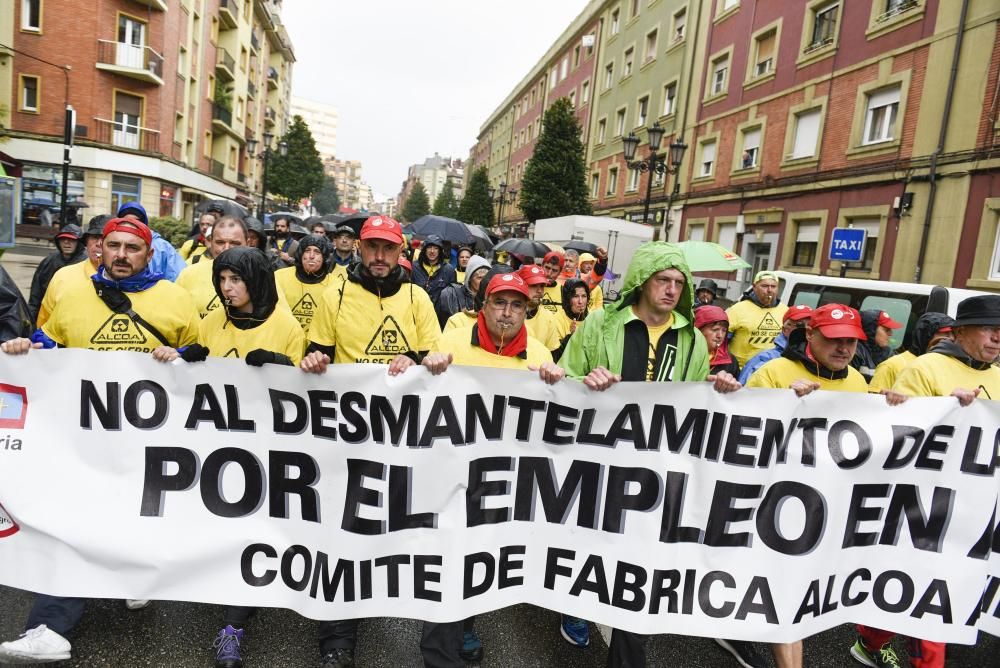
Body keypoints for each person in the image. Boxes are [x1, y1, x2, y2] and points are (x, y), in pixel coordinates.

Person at [0, 217, 199, 666]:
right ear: (99, 250)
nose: (122, 254)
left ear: (149, 254)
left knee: (133, 520)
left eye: (133, 247)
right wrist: (22, 353)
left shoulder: (176, 300)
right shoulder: (72, 294)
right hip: (83, 444)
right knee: (73, 529)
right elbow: (48, 349)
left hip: (149, 445)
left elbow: (205, 363)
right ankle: (50, 628)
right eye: (113, 246)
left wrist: (182, 357)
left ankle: (132, 575)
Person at [558, 241, 740, 664]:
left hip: (655, 472)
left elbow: (694, 398)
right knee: (589, 551)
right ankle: (575, 607)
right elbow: (566, 377)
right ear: (642, 281)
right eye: (663, 280)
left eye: (679, 282)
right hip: (599, 460)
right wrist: (587, 379)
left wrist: (721, 392)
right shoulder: (602, 323)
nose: (672, 289)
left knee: (637, 571)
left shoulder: (692, 338)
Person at [299, 215, 453, 667]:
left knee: (403, 528)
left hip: (407, 434)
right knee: (345, 532)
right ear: (359, 250)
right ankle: (337, 638)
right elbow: (320, 352)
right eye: (372, 248)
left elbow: (435, 357)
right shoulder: (336, 293)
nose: (380, 257)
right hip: (352, 435)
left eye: (388, 248)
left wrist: (421, 360)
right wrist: (313, 361)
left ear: (400, 252)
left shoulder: (417, 298)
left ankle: (404, 606)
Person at [848, 296, 1000, 668]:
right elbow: (899, 438)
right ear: (960, 331)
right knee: (935, 598)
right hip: (927, 507)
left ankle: (869, 640)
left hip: (978, 506)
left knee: (946, 590)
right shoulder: (925, 369)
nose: (998, 337)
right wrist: (945, 412)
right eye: (989, 328)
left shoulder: (997, 373)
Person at [744, 303, 869, 668]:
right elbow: (740, 436)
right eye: (834, 339)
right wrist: (783, 404)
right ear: (810, 335)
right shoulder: (775, 372)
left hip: (830, 506)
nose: (844, 349)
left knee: (801, 597)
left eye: (851, 341)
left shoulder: (859, 381)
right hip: (777, 504)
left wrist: (894, 407)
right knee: (786, 593)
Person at [35, 215, 111, 329]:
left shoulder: (132, 279)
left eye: (105, 238)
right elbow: (43, 324)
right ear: (86, 242)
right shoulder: (62, 276)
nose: (99, 243)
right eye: (94, 237)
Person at [177, 216, 249, 318]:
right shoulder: (188, 274)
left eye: (234, 243)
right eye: (220, 242)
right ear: (210, 242)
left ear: (248, 243)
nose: (226, 248)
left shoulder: (261, 276)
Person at [868, 312, 954, 394]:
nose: (952, 339)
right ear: (926, 335)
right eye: (946, 333)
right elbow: (875, 404)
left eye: (953, 334)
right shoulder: (891, 366)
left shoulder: (947, 366)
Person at [274, 234, 337, 338]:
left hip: (318, 348)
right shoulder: (279, 277)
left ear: (325, 257)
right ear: (300, 254)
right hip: (285, 341)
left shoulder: (335, 285)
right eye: (307, 251)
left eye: (317, 252)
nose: (311, 256)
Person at [738, 304, 813, 384]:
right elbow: (745, 390)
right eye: (800, 325)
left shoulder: (820, 361)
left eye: (811, 325)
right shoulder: (764, 359)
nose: (807, 330)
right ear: (785, 329)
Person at [726, 270, 788, 367]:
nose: (769, 290)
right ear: (754, 287)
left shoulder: (785, 311)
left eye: (773, 286)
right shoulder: (737, 309)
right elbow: (722, 343)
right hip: (741, 371)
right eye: (764, 286)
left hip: (771, 371)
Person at [28, 223, 85, 323]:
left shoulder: (86, 263)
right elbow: (36, 294)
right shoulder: (49, 261)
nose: (67, 242)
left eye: (71, 239)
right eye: (63, 239)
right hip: (48, 315)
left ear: (78, 242)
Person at [116, 201, 187, 281]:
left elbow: (179, 277)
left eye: (137, 222)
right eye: (127, 221)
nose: (131, 226)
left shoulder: (162, 247)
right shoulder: (112, 244)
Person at [517, 264, 562, 352]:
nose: (539, 290)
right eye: (533, 285)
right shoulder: (509, 314)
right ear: (521, 285)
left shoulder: (548, 317)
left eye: (542, 286)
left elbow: (552, 352)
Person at [437, 254, 490, 328]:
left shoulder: (491, 299)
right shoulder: (451, 295)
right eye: (479, 277)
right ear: (470, 278)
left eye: (486, 277)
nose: (483, 281)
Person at [851, 310, 903, 381]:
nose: (890, 333)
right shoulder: (855, 352)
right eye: (886, 329)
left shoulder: (889, 353)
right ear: (871, 330)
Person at [411, 234, 457, 305]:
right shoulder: (414, 267)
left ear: (440, 250)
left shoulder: (448, 270)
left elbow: (452, 296)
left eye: (435, 248)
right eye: (429, 247)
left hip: (438, 313)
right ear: (425, 249)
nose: (432, 251)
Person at [695, 305, 740, 376]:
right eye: (715, 329)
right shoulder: (683, 354)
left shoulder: (730, 361)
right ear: (698, 329)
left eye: (724, 331)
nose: (720, 336)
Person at [553, 278, 589, 359]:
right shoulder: (556, 319)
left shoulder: (592, 319)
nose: (580, 302)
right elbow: (555, 355)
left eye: (584, 296)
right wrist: (571, 337)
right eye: (575, 296)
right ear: (567, 299)